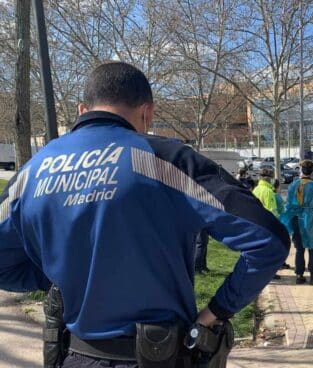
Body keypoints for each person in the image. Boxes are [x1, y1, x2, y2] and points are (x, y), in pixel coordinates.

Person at [0, 62, 289, 367]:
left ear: (82, 109)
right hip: (158, 356)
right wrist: (213, 314)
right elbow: (268, 240)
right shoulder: (164, 159)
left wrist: (63, 276)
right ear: (147, 112)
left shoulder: (34, 170)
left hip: (76, 356)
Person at [281, 160, 313, 285]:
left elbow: (288, 204)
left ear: (300, 170)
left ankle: (299, 275)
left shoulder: (293, 185)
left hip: (296, 217)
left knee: (299, 249)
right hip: (311, 219)